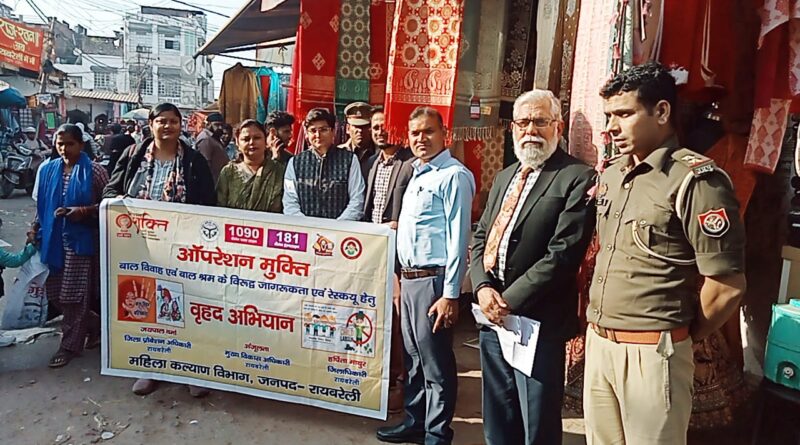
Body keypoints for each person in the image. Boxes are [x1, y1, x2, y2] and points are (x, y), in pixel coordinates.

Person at [584, 62, 747, 444]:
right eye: (609, 116)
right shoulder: (613, 175)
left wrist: (679, 336)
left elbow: (727, 286)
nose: (611, 127)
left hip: (654, 352)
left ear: (661, 112)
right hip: (601, 345)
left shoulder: (696, 181)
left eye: (624, 114)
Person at [469, 90, 595, 444]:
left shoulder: (576, 177)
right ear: (512, 128)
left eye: (540, 121)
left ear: (558, 127)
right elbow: (481, 237)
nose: (530, 131)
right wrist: (482, 288)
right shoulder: (505, 176)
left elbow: (563, 253)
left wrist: (507, 300)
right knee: (498, 419)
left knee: (536, 424)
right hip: (492, 318)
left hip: (537, 322)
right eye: (523, 122)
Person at [376, 107, 475, 445]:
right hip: (410, 279)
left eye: (429, 131)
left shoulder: (453, 176)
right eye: (415, 133)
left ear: (444, 134)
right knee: (414, 359)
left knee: (436, 363)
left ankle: (437, 433)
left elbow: (458, 238)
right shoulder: (417, 173)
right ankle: (415, 422)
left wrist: (450, 294)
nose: (421, 138)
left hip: (434, 281)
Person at [104, 103, 215, 397]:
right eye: (162, 121)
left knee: (184, 307)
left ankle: (191, 369)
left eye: (173, 121)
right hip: (140, 248)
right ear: (151, 124)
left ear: (181, 125)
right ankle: (150, 368)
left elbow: (209, 203)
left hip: (182, 249)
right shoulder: (133, 155)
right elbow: (111, 190)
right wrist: (122, 207)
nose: (167, 126)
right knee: (146, 306)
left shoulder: (193, 161)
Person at [35, 124, 109, 368]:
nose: (65, 149)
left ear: (80, 145)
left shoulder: (95, 171)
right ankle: (93, 325)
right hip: (53, 239)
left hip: (81, 242)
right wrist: (34, 227)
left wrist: (84, 210)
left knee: (73, 296)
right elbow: (42, 204)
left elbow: (111, 203)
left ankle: (69, 346)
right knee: (55, 293)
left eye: (70, 144)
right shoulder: (48, 169)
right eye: (60, 144)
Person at [363, 108, 415, 412]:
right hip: (373, 252)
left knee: (398, 320)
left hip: (399, 256)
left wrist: (399, 224)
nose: (380, 131)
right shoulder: (370, 162)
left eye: (384, 125)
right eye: (375, 127)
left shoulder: (411, 164)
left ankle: (400, 382)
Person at [282, 108, 365, 220]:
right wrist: (307, 225)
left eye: (323, 130)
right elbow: (290, 203)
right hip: (304, 227)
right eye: (313, 130)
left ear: (333, 131)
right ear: (306, 133)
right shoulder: (295, 162)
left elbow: (357, 200)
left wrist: (336, 225)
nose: (318, 135)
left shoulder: (349, 160)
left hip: (340, 228)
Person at [216, 119, 285, 212]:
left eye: (257, 138)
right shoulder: (229, 172)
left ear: (266, 141)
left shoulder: (279, 171)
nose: (252, 142)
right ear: (237, 143)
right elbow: (220, 207)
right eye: (246, 139)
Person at [338, 102, 376, 180]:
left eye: (364, 126)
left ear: (371, 128)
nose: (360, 130)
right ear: (348, 129)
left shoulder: (380, 154)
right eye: (356, 126)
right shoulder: (338, 153)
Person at [195, 112, 229, 183]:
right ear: (208, 124)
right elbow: (204, 165)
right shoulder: (205, 139)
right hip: (212, 183)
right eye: (217, 125)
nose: (220, 128)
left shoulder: (213, 137)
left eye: (221, 125)